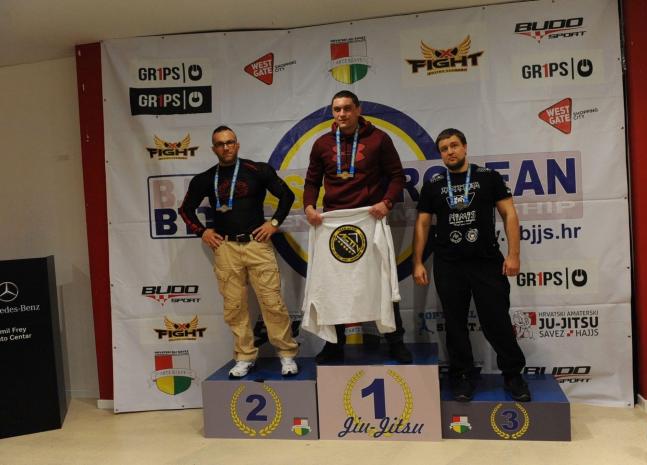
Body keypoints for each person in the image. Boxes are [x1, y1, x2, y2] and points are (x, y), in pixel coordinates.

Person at [412, 128, 530, 402]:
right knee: (454, 324)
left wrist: (514, 255)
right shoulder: (433, 185)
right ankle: (462, 376)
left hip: (486, 261)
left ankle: (513, 374)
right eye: (444, 149)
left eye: (454, 145)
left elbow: (509, 214)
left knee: (497, 320)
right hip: (449, 264)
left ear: (465, 147)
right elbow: (423, 224)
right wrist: (417, 262)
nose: (450, 152)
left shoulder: (488, 177)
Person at [179, 125, 299, 378]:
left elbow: (287, 196)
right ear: (213, 149)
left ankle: (286, 354)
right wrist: (202, 231)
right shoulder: (204, 179)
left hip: (257, 245)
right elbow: (185, 210)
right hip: (225, 248)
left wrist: (274, 223)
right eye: (220, 144)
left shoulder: (258, 170)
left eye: (230, 142)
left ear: (237, 144)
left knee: (272, 303)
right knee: (234, 307)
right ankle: (244, 356)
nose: (226, 147)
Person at [303, 90, 412, 364]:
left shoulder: (379, 139)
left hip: (369, 220)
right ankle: (333, 345)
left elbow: (397, 177)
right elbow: (312, 181)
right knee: (334, 285)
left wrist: (387, 202)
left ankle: (395, 341)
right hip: (334, 225)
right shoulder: (321, 144)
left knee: (380, 280)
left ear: (358, 109)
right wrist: (309, 207)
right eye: (337, 109)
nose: (342, 114)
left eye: (347, 108)